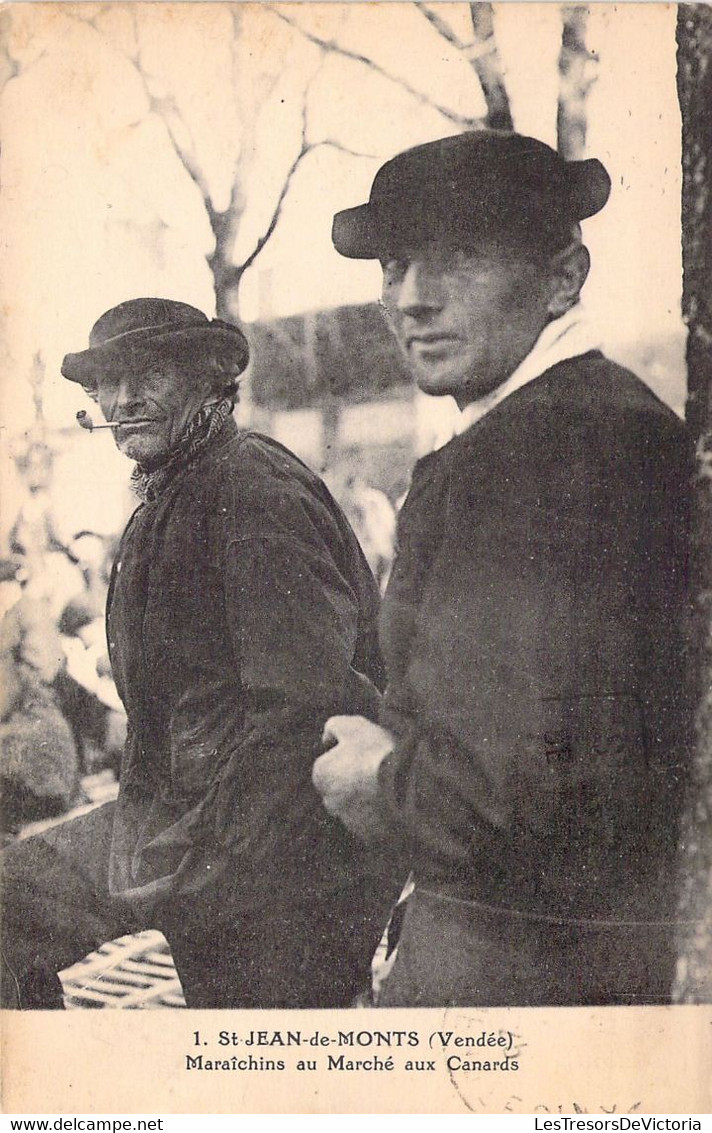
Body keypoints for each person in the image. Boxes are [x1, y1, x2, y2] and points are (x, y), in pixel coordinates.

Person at [312, 131, 693, 1007]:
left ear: (564, 278)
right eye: (396, 265)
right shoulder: (589, 421)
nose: (412, 299)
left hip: (520, 965)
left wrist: (374, 777)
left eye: (461, 260)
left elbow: (511, 791)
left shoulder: (543, 451)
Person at [1, 297, 387, 1009]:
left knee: (258, 1073)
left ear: (211, 377)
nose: (121, 399)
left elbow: (307, 710)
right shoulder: (174, 489)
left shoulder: (248, 489)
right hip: (187, 824)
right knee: (10, 902)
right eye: (104, 384)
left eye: (146, 375)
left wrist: (194, 867)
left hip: (284, 858)